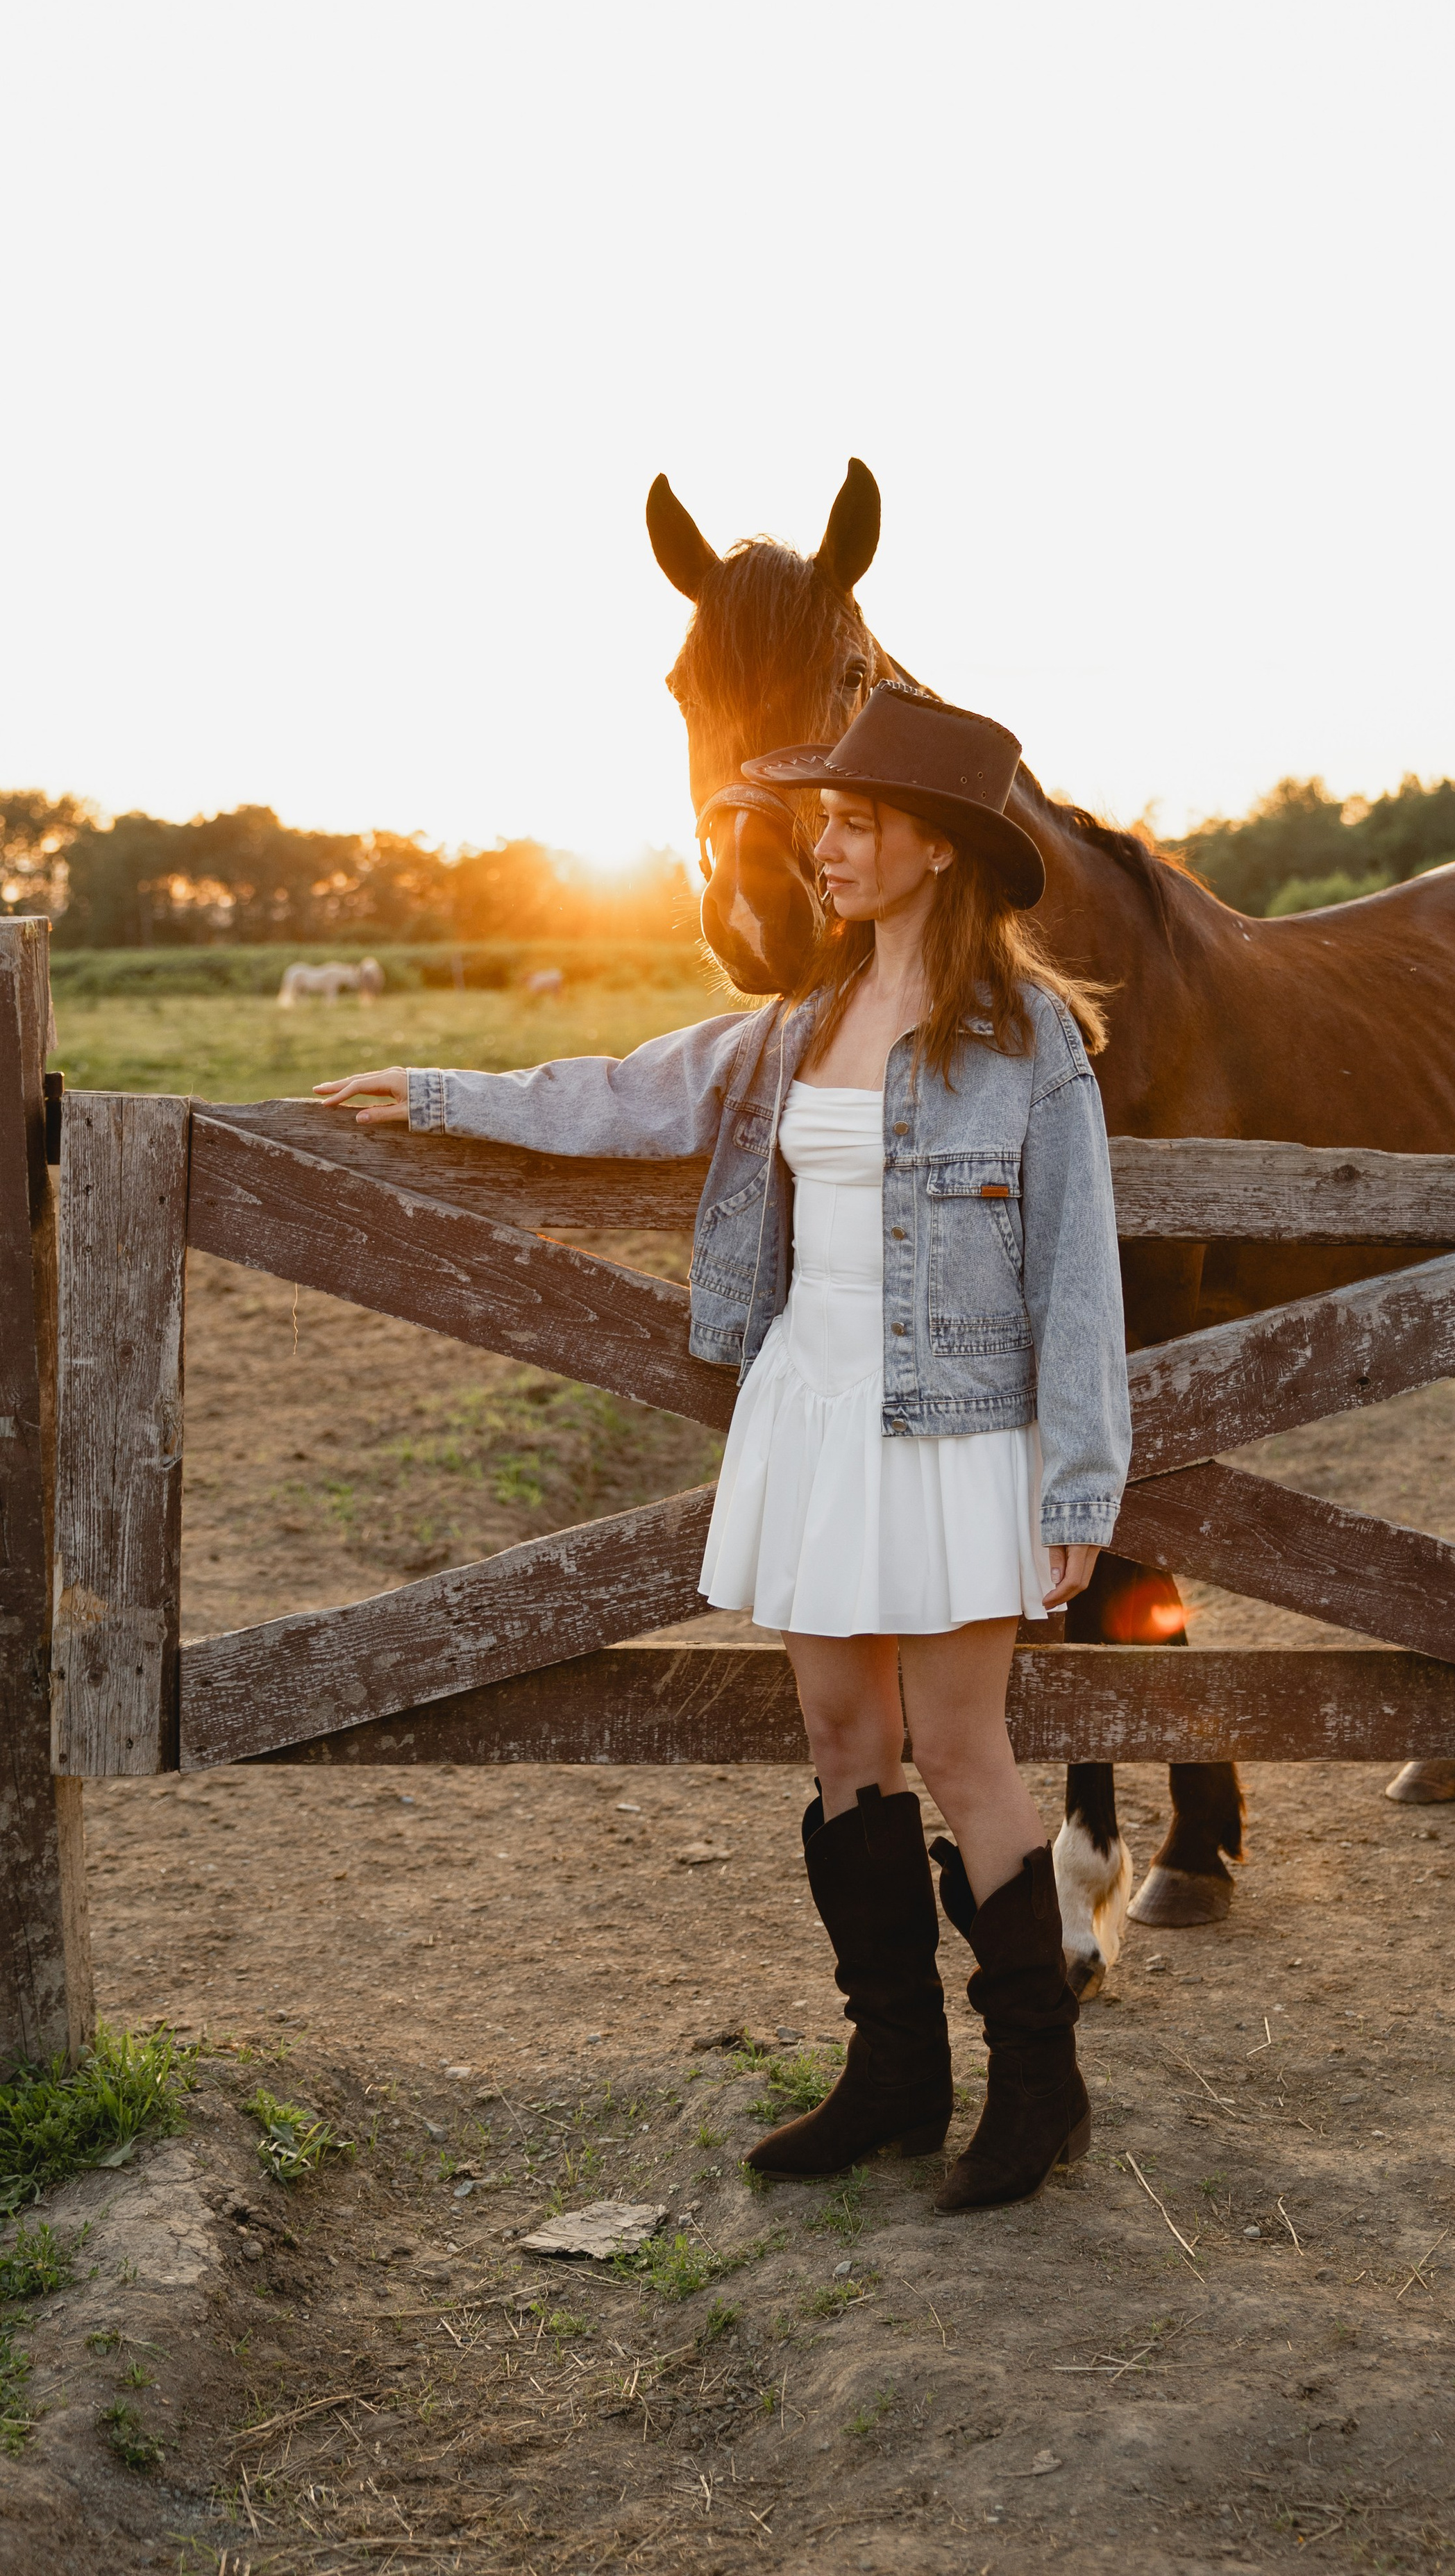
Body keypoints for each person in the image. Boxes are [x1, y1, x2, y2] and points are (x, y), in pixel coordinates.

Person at [316, 683, 1131, 2214]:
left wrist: (1079, 1473)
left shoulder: (1028, 1041)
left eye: (852, 822)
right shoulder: (798, 1023)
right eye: (819, 818)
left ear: (935, 849)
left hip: (954, 1422)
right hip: (810, 1402)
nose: (820, 847)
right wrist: (431, 1092)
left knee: (960, 1748)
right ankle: (892, 2071)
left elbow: (1078, 1275)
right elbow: (624, 1091)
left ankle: (1040, 2085)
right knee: (841, 1741)